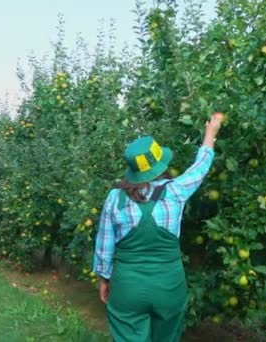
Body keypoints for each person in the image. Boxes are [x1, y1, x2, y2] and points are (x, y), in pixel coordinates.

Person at [92, 114, 222, 342]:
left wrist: (104, 279)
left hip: (127, 287)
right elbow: (200, 167)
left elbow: (104, 246)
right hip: (168, 286)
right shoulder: (176, 190)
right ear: (160, 164)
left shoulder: (115, 197)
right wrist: (210, 134)